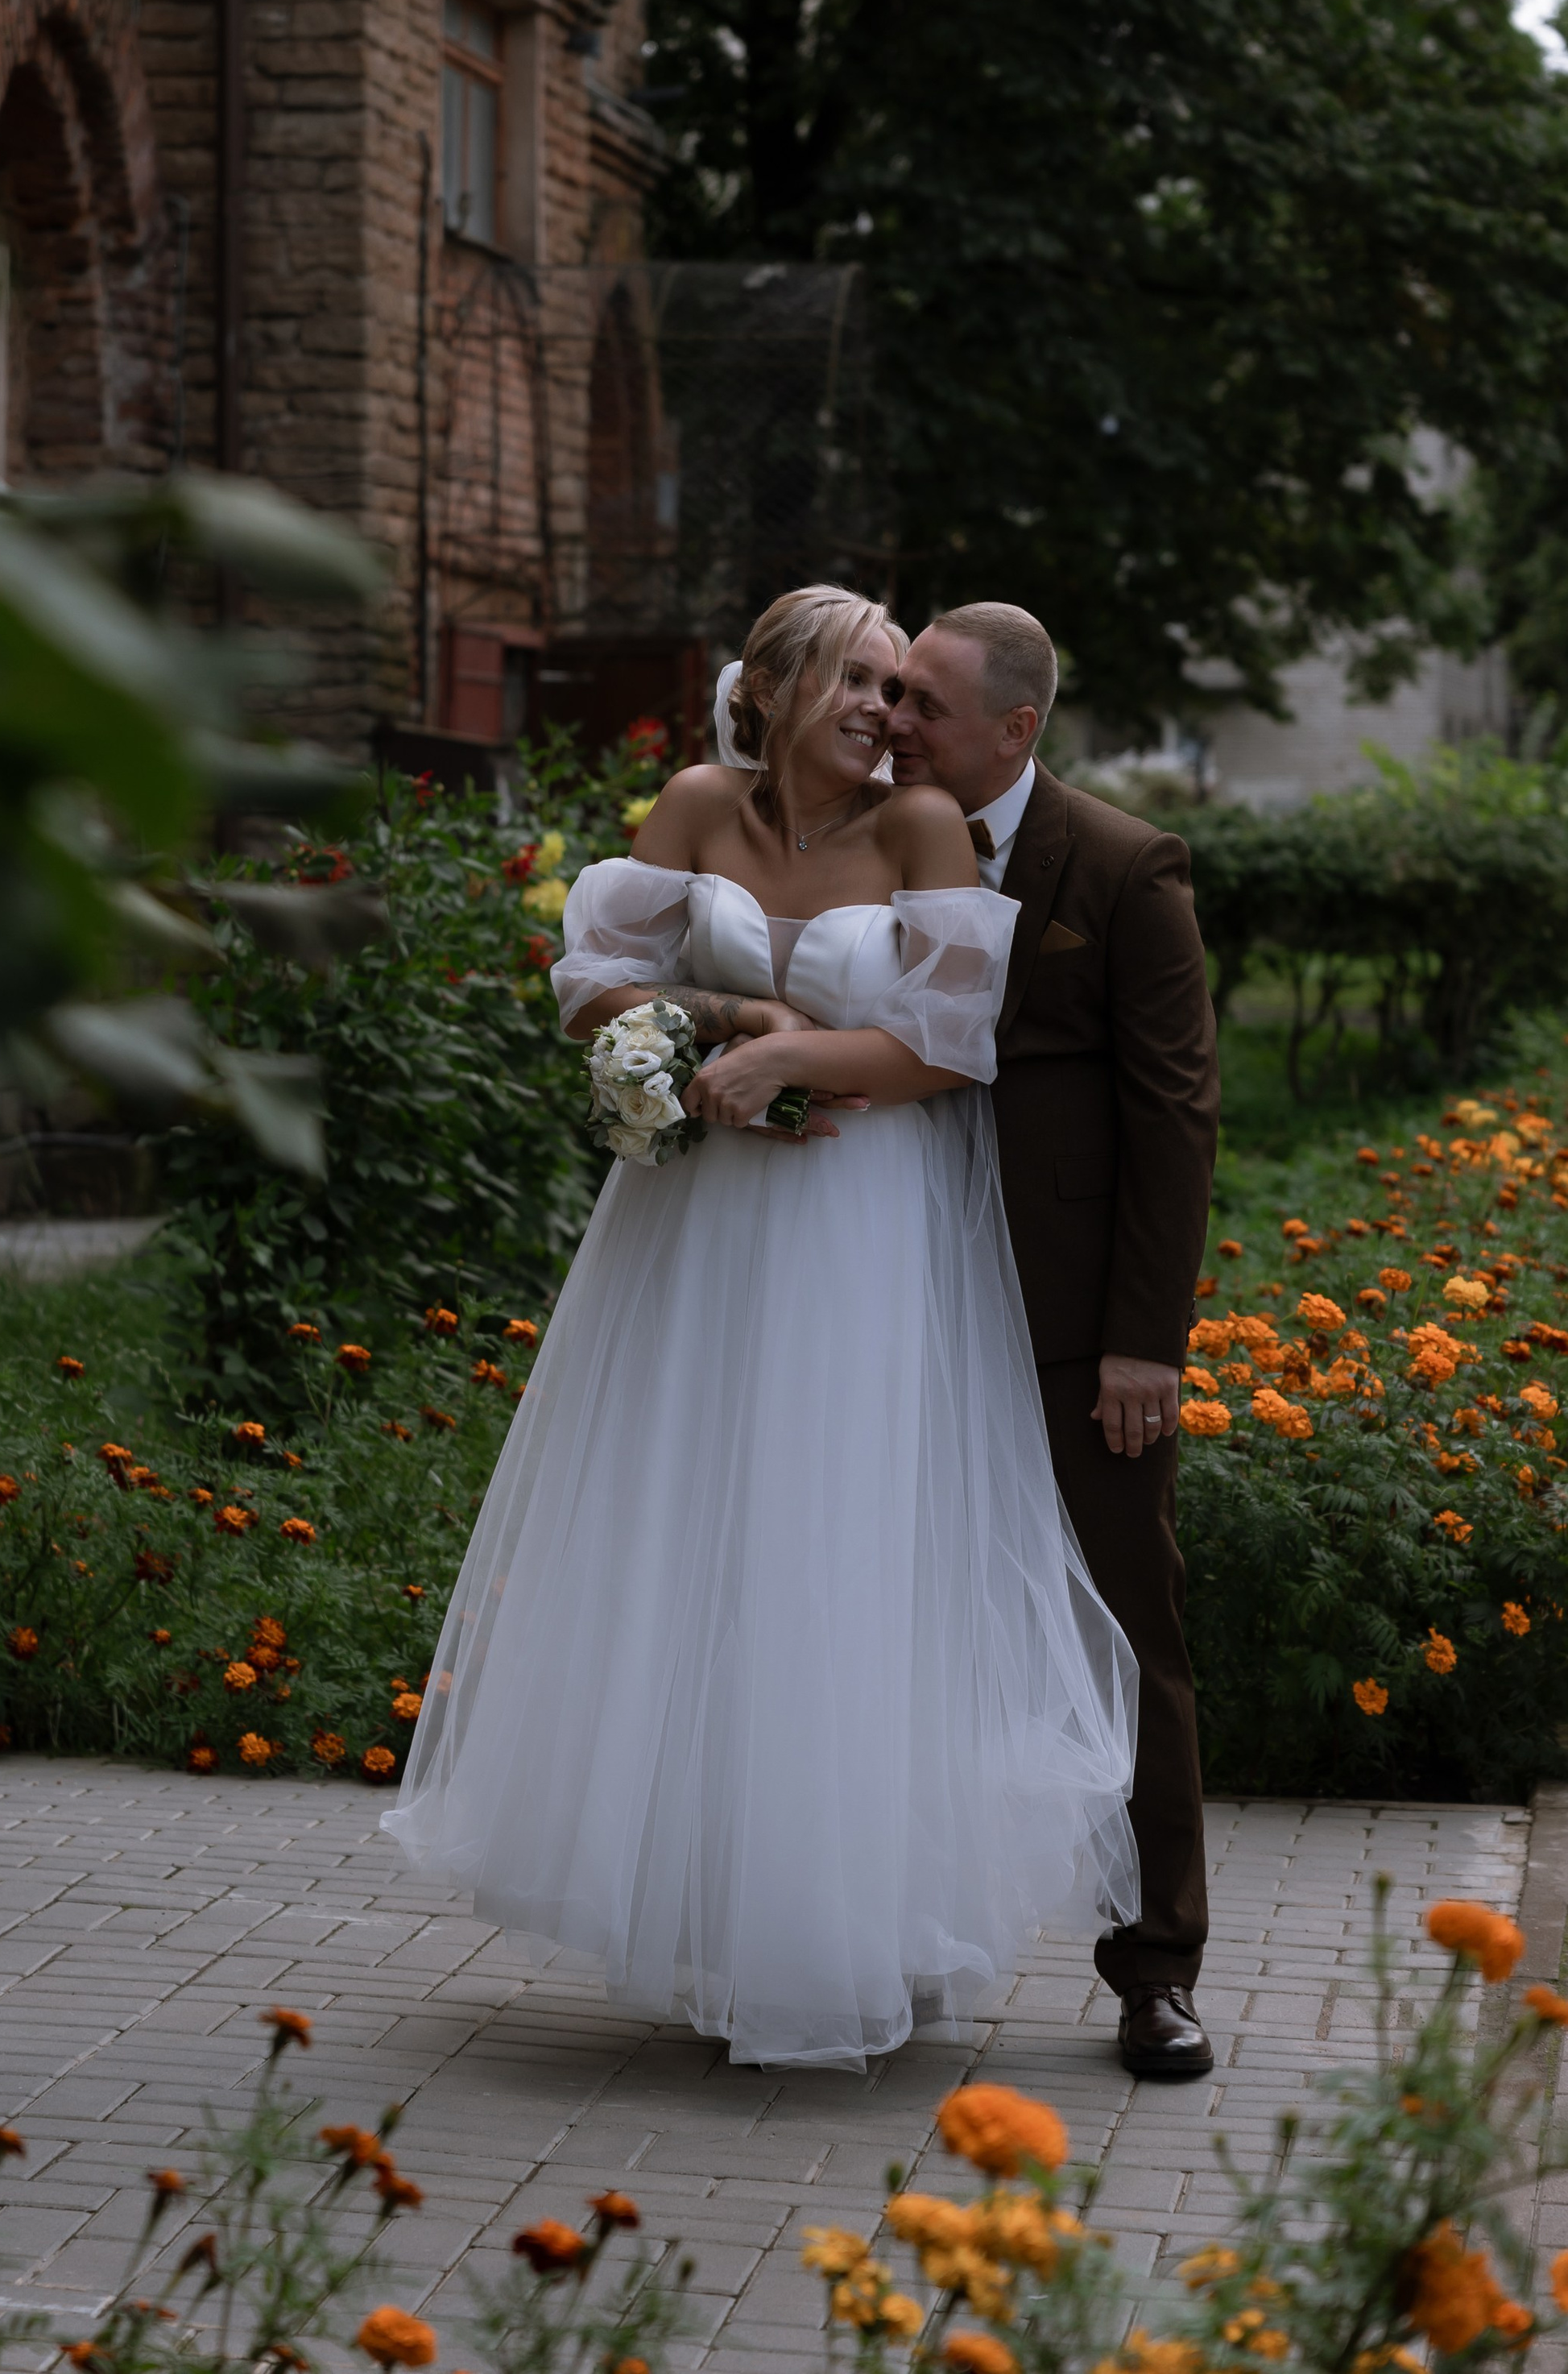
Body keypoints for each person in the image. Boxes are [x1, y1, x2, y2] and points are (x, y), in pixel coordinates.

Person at [383, 583, 1140, 2070]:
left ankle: (859, 1918)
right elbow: (593, 988)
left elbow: (946, 1045)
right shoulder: (695, 808)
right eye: (858, 682)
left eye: (899, 690)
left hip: (866, 1229)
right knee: (695, 1536)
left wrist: (790, 1056)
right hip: (700, 1226)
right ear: (778, 684)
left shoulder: (921, 830)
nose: (884, 712)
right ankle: (710, 1914)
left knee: (844, 1548)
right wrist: (732, 1046)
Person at [883, 603, 1218, 2081]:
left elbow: (1176, 1112)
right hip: (898, 1309)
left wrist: (1146, 1342)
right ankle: (893, 1936)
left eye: (927, 706)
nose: (897, 723)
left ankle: (1154, 1972)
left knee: (1129, 1634)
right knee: (898, 1634)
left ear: (1016, 730)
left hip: (1074, 1330)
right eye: (891, 696)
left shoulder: (1125, 866)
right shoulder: (877, 833)